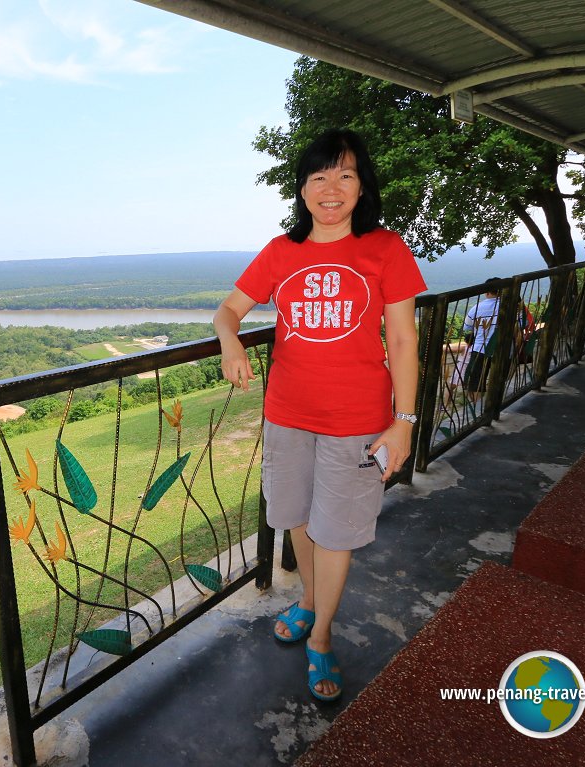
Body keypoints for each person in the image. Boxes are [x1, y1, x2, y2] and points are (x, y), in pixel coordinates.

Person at [213, 129, 425, 702]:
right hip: (287, 415)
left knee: (338, 535)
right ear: (303, 190)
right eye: (319, 177)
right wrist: (231, 343)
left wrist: (404, 419)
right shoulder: (283, 252)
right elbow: (228, 311)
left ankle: (321, 636)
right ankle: (307, 601)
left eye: (345, 175)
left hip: (358, 421)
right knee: (300, 520)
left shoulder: (385, 249)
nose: (331, 188)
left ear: (361, 187)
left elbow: (403, 341)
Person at [460, 282, 501, 399]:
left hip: (480, 349)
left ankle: (477, 409)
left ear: (487, 293)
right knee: (498, 379)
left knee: (476, 382)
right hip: (503, 349)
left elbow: (467, 327)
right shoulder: (509, 306)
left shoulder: (477, 307)